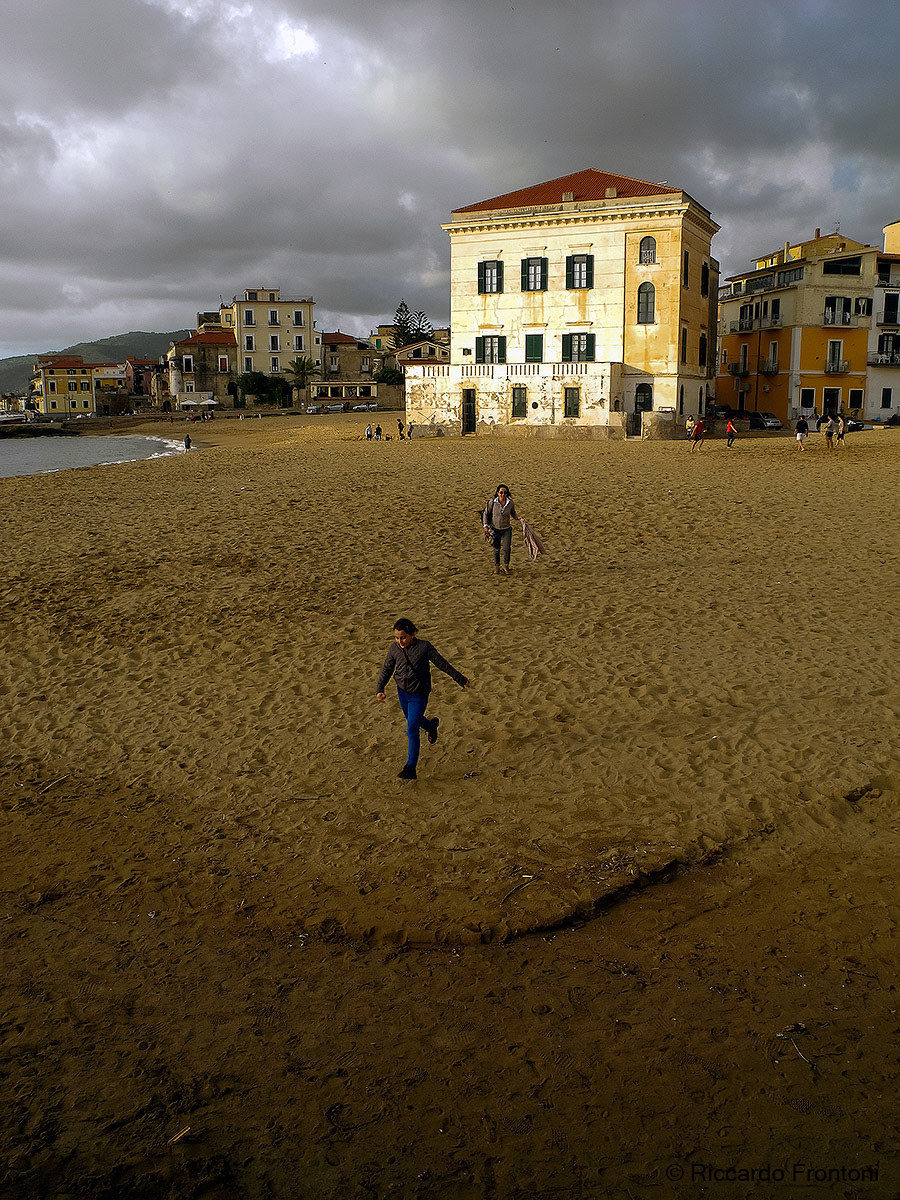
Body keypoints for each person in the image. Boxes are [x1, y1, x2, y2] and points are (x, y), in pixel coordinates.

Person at [376, 618, 469, 780]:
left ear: (412, 634)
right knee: (414, 720)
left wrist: (460, 678)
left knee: (412, 727)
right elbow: (387, 669)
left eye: (403, 637)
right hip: (402, 692)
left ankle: (410, 767)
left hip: (419, 694)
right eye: (397, 637)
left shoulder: (424, 647)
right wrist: (380, 689)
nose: (400, 641)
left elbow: (442, 664)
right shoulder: (394, 648)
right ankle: (431, 726)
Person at [483, 484, 521, 575]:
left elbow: (513, 513)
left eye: (505, 493)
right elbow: (486, 513)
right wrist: (485, 525)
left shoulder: (510, 503)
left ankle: (506, 566)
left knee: (506, 548)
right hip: (495, 529)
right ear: (497, 493)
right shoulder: (492, 502)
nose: (503, 494)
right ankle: (497, 567)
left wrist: (518, 518)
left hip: (506, 529)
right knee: (496, 549)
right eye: (501, 492)